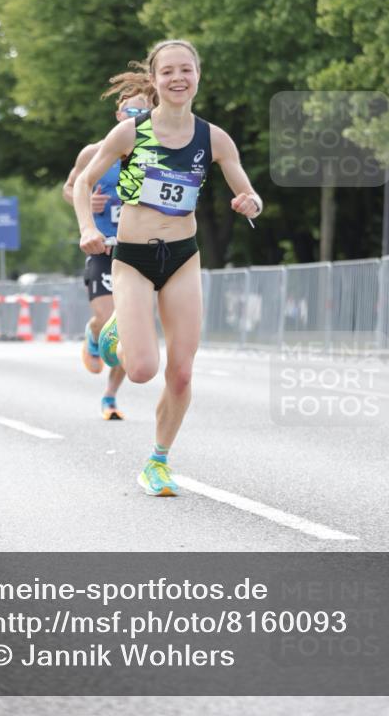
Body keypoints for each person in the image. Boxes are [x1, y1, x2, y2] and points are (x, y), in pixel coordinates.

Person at [73, 40, 262, 495]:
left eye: (186, 70)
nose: (178, 78)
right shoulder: (131, 133)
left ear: (198, 75)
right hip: (134, 260)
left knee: (180, 371)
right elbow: (83, 181)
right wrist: (86, 228)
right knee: (140, 370)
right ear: (155, 81)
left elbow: (248, 190)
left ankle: (157, 461)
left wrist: (250, 201)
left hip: (182, 258)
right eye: (168, 72)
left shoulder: (213, 138)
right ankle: (112, 327)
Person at [63, 86, 153, 420]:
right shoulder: (95, 153)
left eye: (142, 113)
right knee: (107, 318)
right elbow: (70, 187)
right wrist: (85, 202)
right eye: (130, 113)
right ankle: (94, 331)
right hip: (102, 247)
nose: (136, 119)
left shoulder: (156, 153)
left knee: (127, 326)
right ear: (118, 116)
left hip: (137, 250)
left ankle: (110, 398)